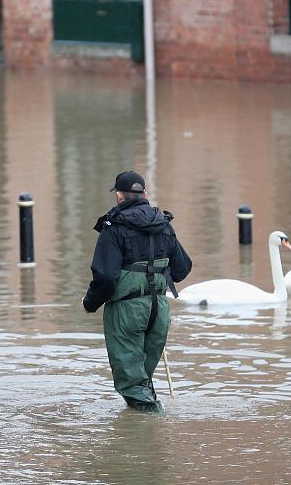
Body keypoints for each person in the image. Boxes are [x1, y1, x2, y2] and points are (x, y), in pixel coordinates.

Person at [82, 170, 193, 412]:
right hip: (159, 310)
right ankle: (149, 429)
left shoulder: (113, 227)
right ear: (145, 193)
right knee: (142, 379)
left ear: (119, 195)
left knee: (134, 385)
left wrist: (89, 303)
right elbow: (182, 268)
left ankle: (150, 426)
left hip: (127, 311)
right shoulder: (163, 225)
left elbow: (106, 278)